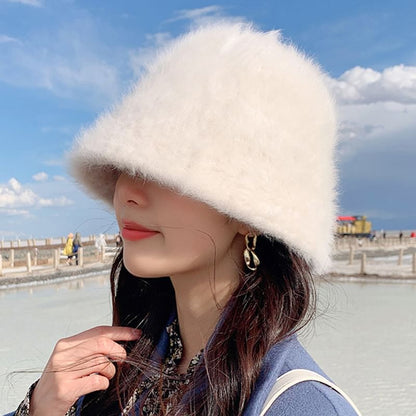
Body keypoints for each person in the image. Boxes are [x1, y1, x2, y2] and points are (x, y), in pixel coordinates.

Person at [8, 23, 361, 415]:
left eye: (167, 173)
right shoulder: (119, 370)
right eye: (125, 164)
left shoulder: (299, 405)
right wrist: (42, 406)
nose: (127, 193)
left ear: (251, 215)